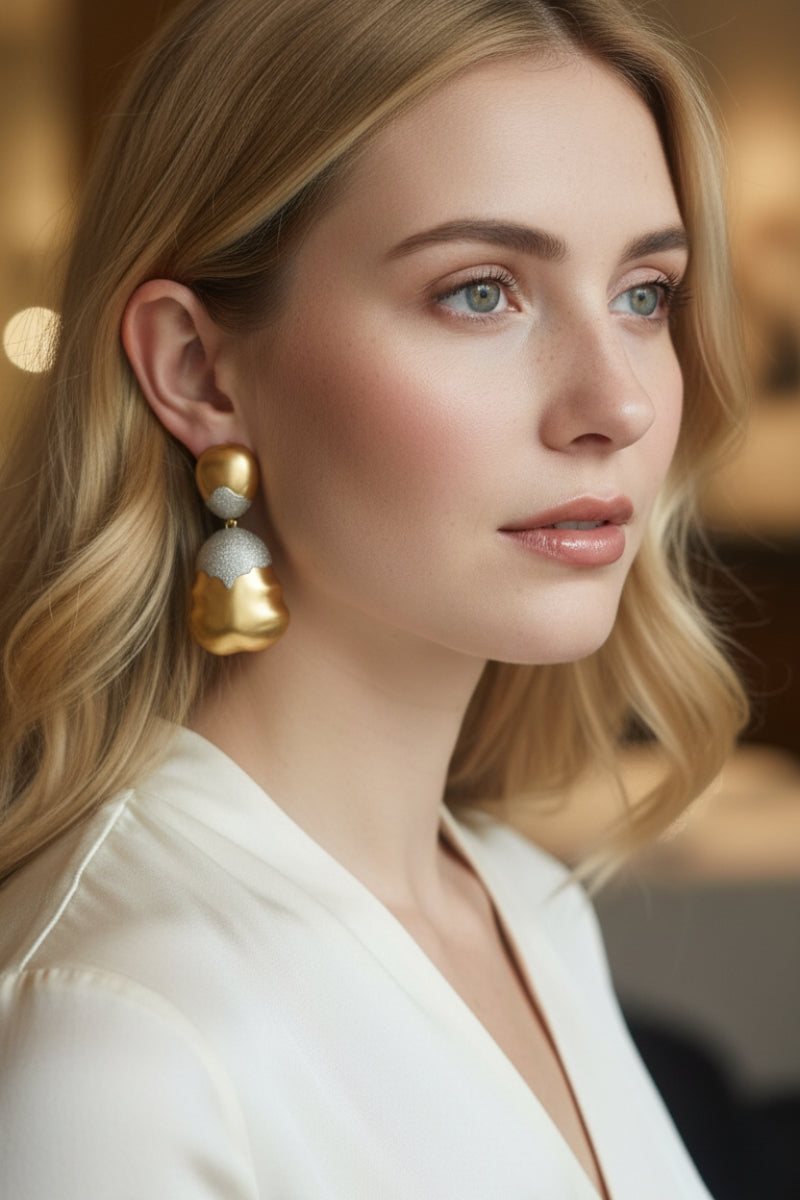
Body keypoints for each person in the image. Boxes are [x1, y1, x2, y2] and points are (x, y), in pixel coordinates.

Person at [0, 0, 748, 1195]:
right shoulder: (122, 1036)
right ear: (197, 370)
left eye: (643, 293)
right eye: (480, 292)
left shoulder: (524, 899)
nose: (618, 403)